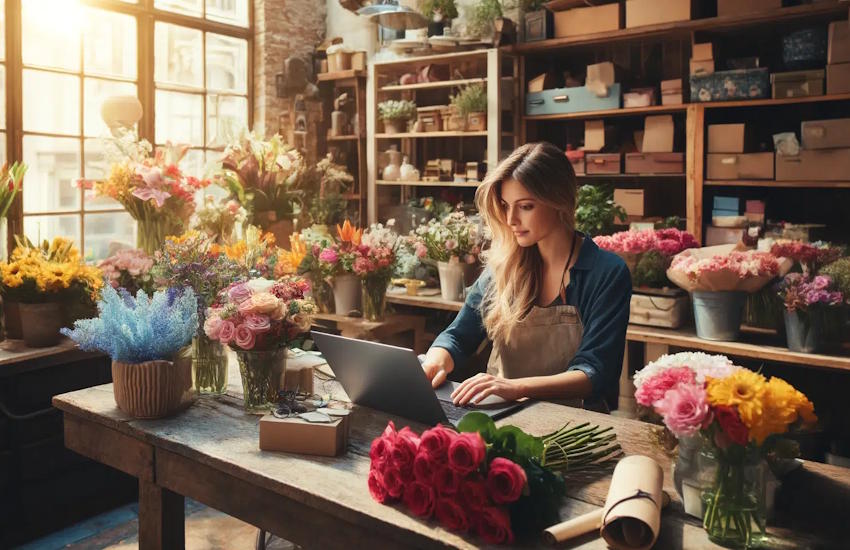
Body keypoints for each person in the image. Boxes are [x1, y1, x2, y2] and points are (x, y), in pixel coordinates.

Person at [421, 142, 632, 412]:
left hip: (577, 426)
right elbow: (459, 336)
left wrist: (515, 387)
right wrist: (435, 361)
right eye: (506, 205)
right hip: (503, 419)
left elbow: (594, 372)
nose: (511, 219)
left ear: (559, 202)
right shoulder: (505, 266)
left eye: (526, 206)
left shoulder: (606, 273)